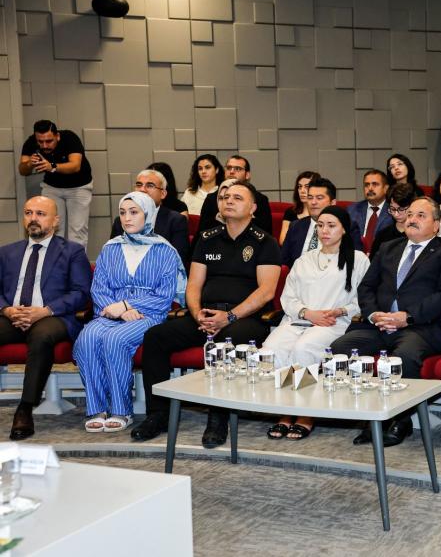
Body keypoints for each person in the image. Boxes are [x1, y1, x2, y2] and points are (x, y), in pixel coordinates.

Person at [133, 181, 281, 445]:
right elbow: (193, 286)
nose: (229, 201)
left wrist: (229, 316)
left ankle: (218, 419)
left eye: (237, 197)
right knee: (156, 336)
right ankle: (158, 415)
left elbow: (266, 292)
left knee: (226, 342)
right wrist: (197, 313)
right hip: (205, 316)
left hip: (244, 319)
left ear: (253, 208)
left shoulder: (264, 242)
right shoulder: (207, 238)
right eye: (225, 197)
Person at [332, 197, 441, 447]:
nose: (412, 219)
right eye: (410, 214)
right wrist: (374, 315)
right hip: (379, 325)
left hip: (419, 327)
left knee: (403, 356)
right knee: (341, 349)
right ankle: (368, 415)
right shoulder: (388, 248)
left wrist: (407, 317)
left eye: (421, 216)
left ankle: (401, 420)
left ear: (436, 225)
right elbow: (366, 287)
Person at [75, 192, 185, 433]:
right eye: (123, 213)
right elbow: (99, 288)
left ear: (148, 214)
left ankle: (121, 409)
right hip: (110, 311)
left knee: (115, 339)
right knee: (87, 338)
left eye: (134, 212)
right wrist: (118, 311)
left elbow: (164, 296)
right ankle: (96, 408)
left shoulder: (165, 250)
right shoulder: (110, 248)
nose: (127, 218)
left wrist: (126, 306)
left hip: (148, 315)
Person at [263, 206, 370, 440]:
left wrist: (341, 310)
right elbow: (288, 297)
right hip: (299, 319)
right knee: (272, 348)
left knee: (304, 349)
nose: (324, 231)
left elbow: (364, 299)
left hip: (333, 322)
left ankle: (305, 414)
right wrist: (307, 313)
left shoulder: (358, 259)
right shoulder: (305, 260)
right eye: (320, 226)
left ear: (344, 229)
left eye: (331, 225)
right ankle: (284, 410)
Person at [0, 196, 91, 440]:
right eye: (28, 213)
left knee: (41, 336)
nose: (33, 219)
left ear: (55, 220)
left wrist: (44, 310)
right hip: (13, 315)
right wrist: (7, 310)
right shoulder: (7, 252)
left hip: (53, 316)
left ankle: (25, 408)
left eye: (40, 214)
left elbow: (81, 293)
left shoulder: (72, 251)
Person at [19, 120, 93, 249]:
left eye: (49, 141)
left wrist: (52, 166)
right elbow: (22, 170)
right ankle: (54, 260)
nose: (44, 145)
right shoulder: (31, 142)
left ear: (57, 136)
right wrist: (29, 163)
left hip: (79, 187)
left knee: (77, 231)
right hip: (52, 188)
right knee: (51, 228)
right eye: (40, 142)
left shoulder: (70, 138)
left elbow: (75, 165)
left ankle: (76, 261)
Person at [109, 170, 189, 268]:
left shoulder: (176, 221)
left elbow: (177, 260)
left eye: (150, 185)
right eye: (139, 185)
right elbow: (112, 256)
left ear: (163, 194)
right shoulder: (120, 221)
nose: (142, 189)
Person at [198, 155, 272, 234]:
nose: (232, 172)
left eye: (238, 169)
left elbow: (265, 232)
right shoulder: (211, 198)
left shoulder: (260, 199)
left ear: (247, 175)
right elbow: (202, 232)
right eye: (229, 168)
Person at [280, 177, 337, 267]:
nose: (313, 202)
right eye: (310, 198)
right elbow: (283, 261)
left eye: (319, 198)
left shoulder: (345, 227)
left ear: (332, 203)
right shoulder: (296, 226)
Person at [347, 169, 393, 254]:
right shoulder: (352, 210)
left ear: (386, 188)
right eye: (367, 185)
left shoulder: (394, 211)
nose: (370, 188)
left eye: (375, 184)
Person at [372, 183, 416, 256]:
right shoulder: (383, 235)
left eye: (401, 209)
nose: (396, 214)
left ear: (412, 206)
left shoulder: (418, 233)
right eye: (392, 209)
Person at [279, 171, 320, 244]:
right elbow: (283, 241)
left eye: (307, 186)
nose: (302, 191)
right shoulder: (291, 212)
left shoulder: (323, 212)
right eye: (300, 187)